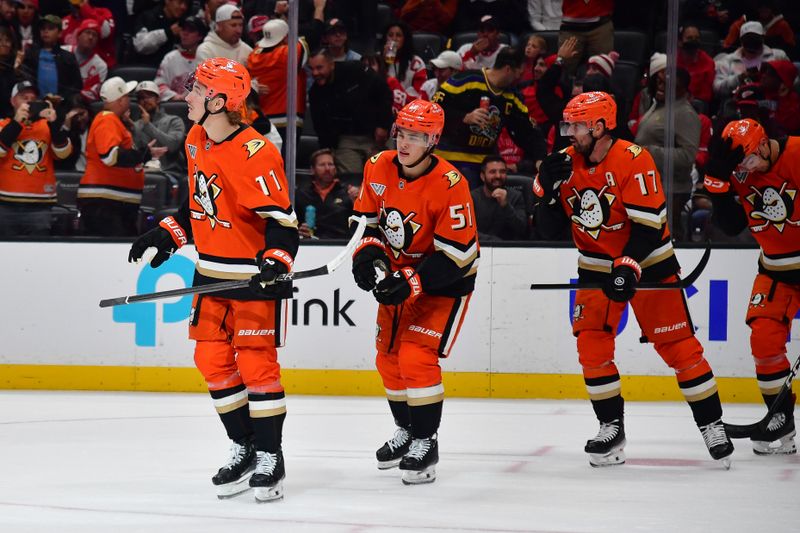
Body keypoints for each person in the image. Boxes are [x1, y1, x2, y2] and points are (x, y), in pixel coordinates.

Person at [127, 57, 300, 502]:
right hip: (209, 276)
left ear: (220, 101)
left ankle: (270, 456)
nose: (187, 97)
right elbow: (202, 206)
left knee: (258, 369)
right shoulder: (197, 137)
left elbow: (281, 221)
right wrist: (169, 234)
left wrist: (277, 265)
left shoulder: (256, 151)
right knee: (211, 363)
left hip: (249, 281)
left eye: (198, 91)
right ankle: (244, 446)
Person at [533, 91, 734, 468]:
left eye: (575, 126)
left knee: (679, 348)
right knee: (591, 348)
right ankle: (611, 427)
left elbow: (649, 226)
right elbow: (546, 229)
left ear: (599, 126)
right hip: (594, 266)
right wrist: (546, 192)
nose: (568, 133)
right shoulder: (561, 163)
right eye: (568, 125)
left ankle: (712, 425)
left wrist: (627, 267)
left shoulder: (632, 159)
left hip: (649, 262)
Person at [350, 98, 478, 485]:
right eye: (402, 132)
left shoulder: (451, 184)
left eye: (417, 136)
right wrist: (368, 260)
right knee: (387, 358)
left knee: (416, 357)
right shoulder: (378, 166)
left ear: (433, 140)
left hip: (445, 282)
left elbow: (458, 253)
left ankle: (425, 441)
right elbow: (367, 227)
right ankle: (406, 430)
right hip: (400, 276)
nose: (405, 143)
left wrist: (411, 282)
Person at [702, 118, 798, 455]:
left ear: (762, 143)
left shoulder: (797, 153)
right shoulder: (736, 172)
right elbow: (732, 225)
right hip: (775, 270)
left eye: (748, 158)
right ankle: (781, 420)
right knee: (764, 338)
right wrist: (718, 189)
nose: (744, 167)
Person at [432, 46, 546, 188]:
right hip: (450, 158)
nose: (520, 77)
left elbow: (527, 130)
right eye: (519, 73)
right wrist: (464, 117)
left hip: (483, 163)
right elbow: (433, 110)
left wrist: (540, 158)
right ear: (508, 69)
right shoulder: (466, 80)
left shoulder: (513, 96)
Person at [78, 76, 166, 236]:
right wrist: (144, 154)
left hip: (111, 200)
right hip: (106, 202)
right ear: (119, 100)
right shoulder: (107, 120)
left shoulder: (112, 121)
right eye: (126, 96)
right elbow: (110, 156)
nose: (129, 100)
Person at [633, 67, 700, 240]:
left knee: (666, 238)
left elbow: (687, 156)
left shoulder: (685, 114)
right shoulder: (660, 106)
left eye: (669, 85)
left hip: (671, 191)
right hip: (652, 186)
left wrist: (649, 152)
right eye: (660, 82)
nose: (661, 87)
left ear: (682, 89)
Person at [0, 80, 72, 236]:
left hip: (40, 206)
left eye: (33, 98)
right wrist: (16, 123)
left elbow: (63, 153)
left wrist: (54, 123)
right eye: (23, 97)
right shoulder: (3, 124)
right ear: (13, 101)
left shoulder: (47, 126)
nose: (29, 101)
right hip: (5, 205)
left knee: (37, 255)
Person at [307, 47, 393, 174]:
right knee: (349, 180)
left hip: (376, 135)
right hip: (346, 139)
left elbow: (384, 92)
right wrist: (327, 152)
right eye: (312, 69)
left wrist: (383, 126)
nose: (315, 73)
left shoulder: (355, 69)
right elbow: (320, 127)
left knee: (380, 177)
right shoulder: (315, 92)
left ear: (331, 64)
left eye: (319, 68)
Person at [247, 18, 308, 148]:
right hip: (288, 118)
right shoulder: (288, 53)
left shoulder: (254, 55)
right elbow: (313, 35)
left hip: (262, 118)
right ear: (286, 38)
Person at [19, 14, 82, 113]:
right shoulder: (31, 54)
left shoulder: (67, 57)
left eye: (51, 28)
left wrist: (62, 98)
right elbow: (25, 78)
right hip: (34, 105)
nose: (45, 31)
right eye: (43, 28)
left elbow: (77, 85)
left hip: (61, 107)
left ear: (60, 33)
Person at [713, 21, 788, 99]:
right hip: (738, 104)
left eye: (755, 38)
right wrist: (739, 78)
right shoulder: (727, 60)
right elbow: (717, 88)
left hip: (772, 101)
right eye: (748, 39)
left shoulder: (778, 55)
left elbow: (792, 80)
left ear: (763, 38)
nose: (752, 42)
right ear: (741, 40)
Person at [294, 148, 355, 239]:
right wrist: (299, 230)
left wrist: (356, 202)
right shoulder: (301, 194)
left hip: (341, 245)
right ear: (312, 170)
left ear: (335, 168)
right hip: (308, 245)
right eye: (322, 165)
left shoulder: (348, 193)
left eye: (330, 164)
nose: (327, 168)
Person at [130, 80, 186, 175]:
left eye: (149, 96)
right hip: (142, 172)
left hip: (169, 173)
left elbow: (172, 145)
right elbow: (134, 153)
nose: (145, 100)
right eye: (141, 98)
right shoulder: (135, 125)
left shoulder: (174, 121)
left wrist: (148, 125)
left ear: (158, 99)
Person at [470, 155, 528, 240]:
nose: (498, 176)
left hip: (510, 249)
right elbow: (468, 231)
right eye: (492, 172)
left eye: (502, 171)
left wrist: (506, 205)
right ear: (482, 176)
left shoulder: (516, 196)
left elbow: (522, 229)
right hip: (482, 248)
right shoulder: (472, 197)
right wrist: (493, 241)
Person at [155, 15, 207, 101]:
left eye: (191, 30)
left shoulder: (206, 59)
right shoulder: (170, 58)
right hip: (172, 106)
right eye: (183, 29)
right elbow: (159, 84)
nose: (185, 33)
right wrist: (175, 97)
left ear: (200, 36)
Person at [60, 18, 107, 103]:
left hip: (81, 104)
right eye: (87, 32)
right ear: (78, 35)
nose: (90, 37)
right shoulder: (62, 52)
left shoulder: (101, 66)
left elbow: (94, 92)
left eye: (94, 35)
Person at [132, 0, 189, 67]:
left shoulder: (185, 21)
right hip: (146, 67)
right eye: (180, 2)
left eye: (186, 4)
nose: (183, 7)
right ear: (167, 1)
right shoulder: (147, 17)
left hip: (173, 69)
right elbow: (141, 45)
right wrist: (168, 32)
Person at [379, 21, 427, 101]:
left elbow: (420, 93)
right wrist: (382, 61)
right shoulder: (376, 59)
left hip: (407, 107)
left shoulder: (416, 62)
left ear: (405, 39)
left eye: (398, 35)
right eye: (390, 35)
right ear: (385, 38)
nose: (394, 39)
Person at [677, 24, 715, 107]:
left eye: (697, 38)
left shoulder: (708, 62)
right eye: (689, 38)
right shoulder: (672, 60)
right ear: (680, 42)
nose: (694, 41)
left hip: (697, 106)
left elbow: (706, 95)